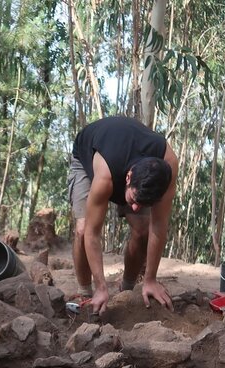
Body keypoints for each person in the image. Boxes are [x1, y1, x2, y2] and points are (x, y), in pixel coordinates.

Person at [69, 116, 179, 315]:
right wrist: (101, 287)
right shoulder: (104, 175)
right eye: (135, 201)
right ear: (128, 178)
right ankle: (84, 292)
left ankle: (127, 289)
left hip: (129, 164)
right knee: (83, 229)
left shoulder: (168, 165)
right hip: (88, 157)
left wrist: (151, 279)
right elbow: (92, 234)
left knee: (143, 230)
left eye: (144, 204)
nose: (136, 208)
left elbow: (159, 224)